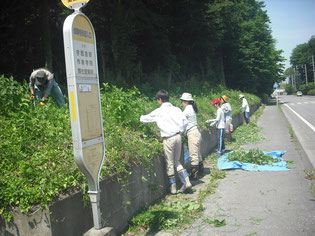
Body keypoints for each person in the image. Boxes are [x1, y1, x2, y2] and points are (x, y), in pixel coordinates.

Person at [140, 90, 192, 194]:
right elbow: (185, 122)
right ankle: (186, 181)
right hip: (178, 136)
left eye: (157, 99)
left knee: (170, 162)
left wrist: (140, 117)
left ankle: (173, 188)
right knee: (177, 161)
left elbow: (145, 119)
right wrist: (180, 129)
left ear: (160, 99)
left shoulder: (159, 111)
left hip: (168, 139)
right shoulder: (177, 109)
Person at [180, 93, 204, 180]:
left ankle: (194, 175)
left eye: (182, 101)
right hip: (196, 132)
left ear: (185, 101)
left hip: (192, 133)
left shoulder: (187, 110)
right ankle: (201, 169)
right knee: (197, 153)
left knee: (193, 154)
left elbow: (181, 121)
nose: (181, 103)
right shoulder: (191, 108)